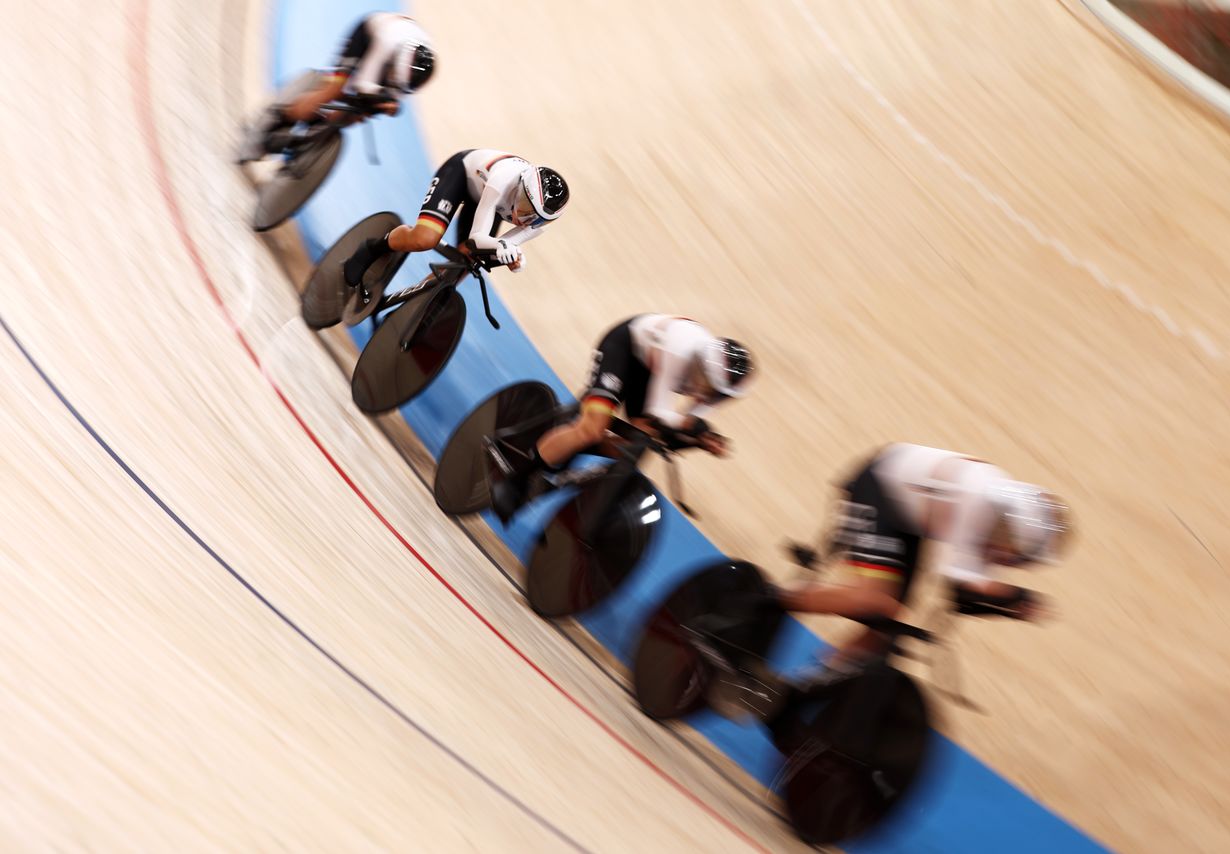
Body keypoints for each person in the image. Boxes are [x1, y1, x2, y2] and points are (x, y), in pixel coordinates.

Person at [776, 443, 1073, 679]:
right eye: (1015, 554)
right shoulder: (974, 502)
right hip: (878, 488)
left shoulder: (1000, 513)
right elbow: (964, 586)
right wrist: (1018, 598)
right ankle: (768, 600)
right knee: (874, 601)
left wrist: (1009, 604)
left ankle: (818, 678)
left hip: (909, 513)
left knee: (888, 626)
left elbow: (963, 596)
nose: (1007, 559)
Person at [490, 313, 754, 522]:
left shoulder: (718, 390)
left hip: (651, 374)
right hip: (624, 350)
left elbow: (684, 424)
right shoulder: (680, 349)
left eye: (718, 394)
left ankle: (565, 447)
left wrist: (698, 438)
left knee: (636, 447)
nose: (709, 395)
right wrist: (693, 427)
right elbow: (659, 410)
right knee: (592, 428)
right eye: (709, 386)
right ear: (700, 366)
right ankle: (515, 482)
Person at [342, 149, 569, 283]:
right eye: (526, 207)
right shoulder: (503, 179)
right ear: (520, 188)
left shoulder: (539, 220)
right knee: (424, 239)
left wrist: (514, 259)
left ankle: (417, 307)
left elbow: (506, 244)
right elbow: (477, 237)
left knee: (468, 263)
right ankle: (372, 248)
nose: (526, 219)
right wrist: (502, 247)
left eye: (535, 218)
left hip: (488, 203)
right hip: (461, 175)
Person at [238, 12, 435, 162]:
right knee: (335, 90)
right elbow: (363, 83)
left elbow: (395, 95)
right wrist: (377, 98)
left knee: (360, 113)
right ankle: (275, 118)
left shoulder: (416, 74)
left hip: (394, 54)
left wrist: (386, 105)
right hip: (367, 36)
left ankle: (314, 133)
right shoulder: (388, 40)